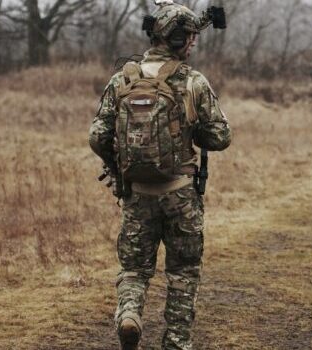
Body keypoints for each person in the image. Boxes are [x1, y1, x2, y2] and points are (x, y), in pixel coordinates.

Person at [88, 2, 231, 349]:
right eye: (191, 38)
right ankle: (176, 342)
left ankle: (129, 313)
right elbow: (220, 137)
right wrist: (190, 130)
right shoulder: (193, 81)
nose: (194, 43)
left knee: (135, 269)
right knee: (182, 273)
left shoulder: (123, 78)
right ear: (180, 39)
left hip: (137, 194)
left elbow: (97, 136)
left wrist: (118, 165)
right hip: (181, 195)